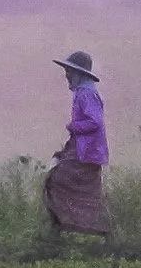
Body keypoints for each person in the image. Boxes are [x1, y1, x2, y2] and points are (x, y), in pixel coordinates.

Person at [43, 50, 113, 237]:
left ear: (79, 74)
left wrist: (74, 126)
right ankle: (69, 227)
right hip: (86, 151)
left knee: (57, 181)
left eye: (69, 71)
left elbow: (95, 122)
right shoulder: (84, 92)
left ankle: (65, 226)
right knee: (68, 185)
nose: (66, 75)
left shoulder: (86, 94)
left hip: (87, 152)